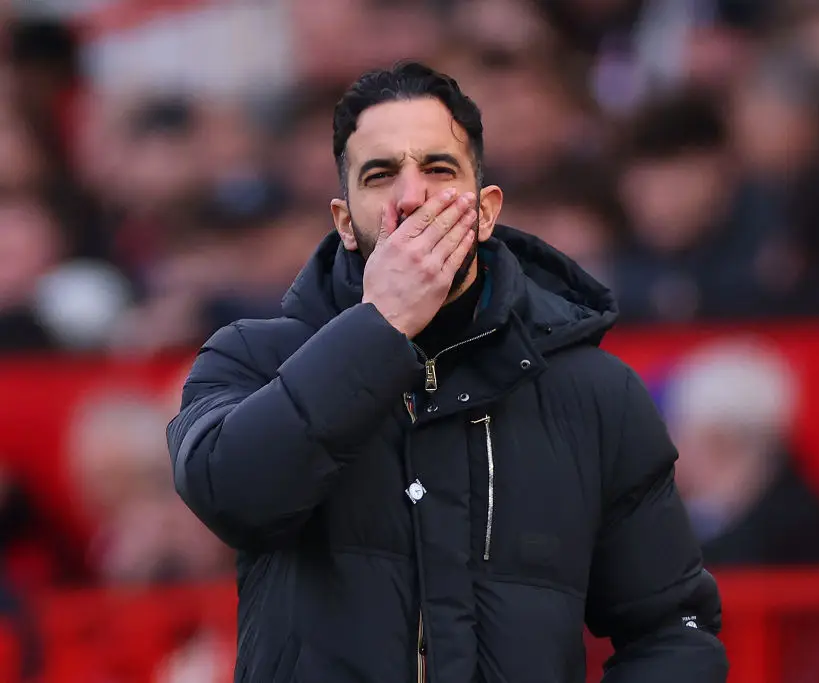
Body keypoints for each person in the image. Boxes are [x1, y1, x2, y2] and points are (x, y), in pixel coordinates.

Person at [167, 61, 727, 683]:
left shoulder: (594, 392)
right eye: (380, 176)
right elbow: (232, 494)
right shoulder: (250, 358)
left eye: (438, 169)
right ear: (345, 222)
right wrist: (380, 327)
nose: (413, 198)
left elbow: (674, 632)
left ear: (486, 211)